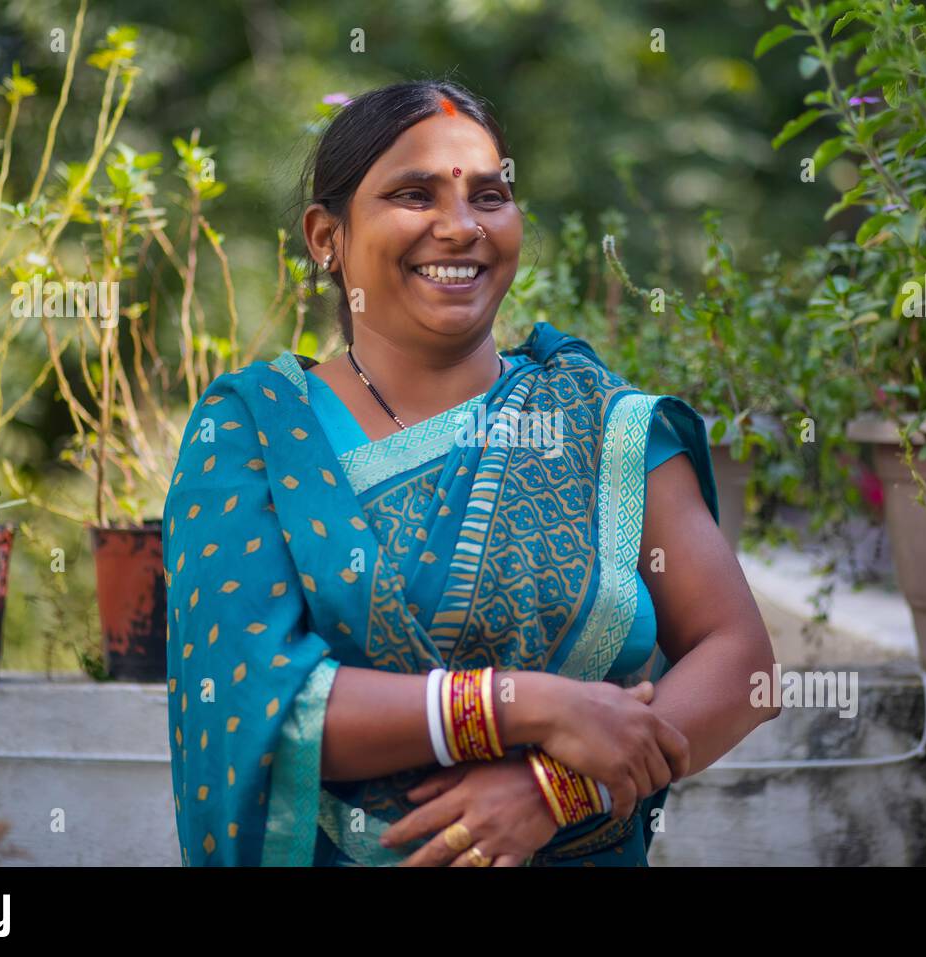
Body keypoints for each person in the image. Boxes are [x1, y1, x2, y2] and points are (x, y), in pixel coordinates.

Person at [162, 79, 778, 867]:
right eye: (414, 194)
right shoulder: (254, 432)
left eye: (489, 195)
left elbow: (743, 661)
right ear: (326, 237)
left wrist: (556, 787)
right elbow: (251, 705)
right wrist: (526, 706)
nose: (459, 227)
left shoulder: (601, 424)